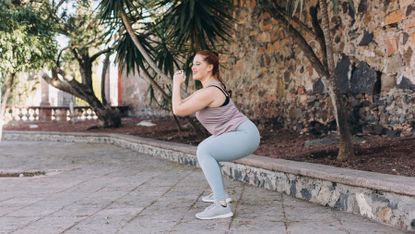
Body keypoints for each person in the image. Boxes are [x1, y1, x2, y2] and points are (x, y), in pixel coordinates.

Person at [172, 50, 260, 220]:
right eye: (193, 64)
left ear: (210, 67)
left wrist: (176, 84)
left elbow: (177, 109)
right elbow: (182, 104)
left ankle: (221, 205)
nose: (193, 67)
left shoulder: (209, 91)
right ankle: (219, 193)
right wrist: (179, 86)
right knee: (207, 149)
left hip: (244, 134)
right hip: (237, 133)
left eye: (198, 64)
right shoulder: (207, 89)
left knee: (205, 150)